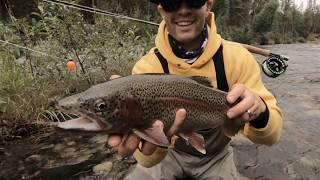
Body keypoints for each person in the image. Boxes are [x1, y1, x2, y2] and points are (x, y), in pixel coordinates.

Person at [107, 0, 283, 179]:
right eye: (171, 2)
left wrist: (260, 112)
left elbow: (271, 137)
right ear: (161, 10)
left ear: (208, 5)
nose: (183, 10)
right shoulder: (146, 68)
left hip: (217, 157)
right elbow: (146, 160)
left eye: (194, 0)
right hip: (169, 155)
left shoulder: (237, 58)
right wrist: (158, 141)